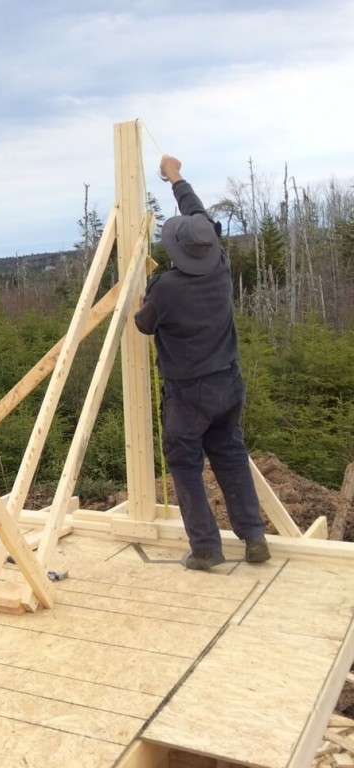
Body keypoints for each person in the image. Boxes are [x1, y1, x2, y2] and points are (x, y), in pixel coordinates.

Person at [134, 154, 270, 570]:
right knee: (229, 453)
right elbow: (199, 217)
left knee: (185, 464)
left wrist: (144, 301)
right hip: (229, 382)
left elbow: (143, 325)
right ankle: (254, 537)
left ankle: (207, 548)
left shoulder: (167, 289)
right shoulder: (222, 267)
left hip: (189, 392)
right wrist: (175, 178)